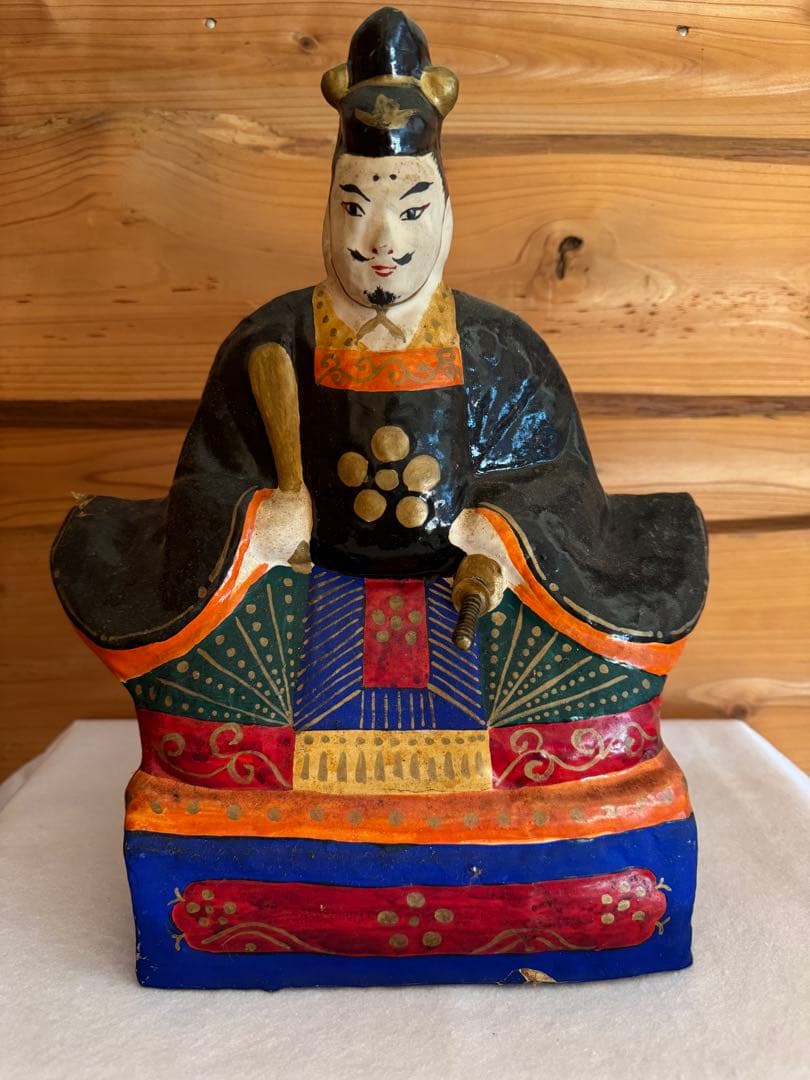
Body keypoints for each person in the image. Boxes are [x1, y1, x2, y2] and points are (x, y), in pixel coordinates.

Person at [52, 7, 708, 987]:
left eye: (408, 205)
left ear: (446, 207)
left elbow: (563, 484)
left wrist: (501, 535)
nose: (380, 240)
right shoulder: (271, 339)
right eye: (355, 204)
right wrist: (255, 522)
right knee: (213, 701)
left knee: (593, 696)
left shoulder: (500, 348)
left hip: (477, 597)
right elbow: (205, 480)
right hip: (305, 588)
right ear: (326, 206)